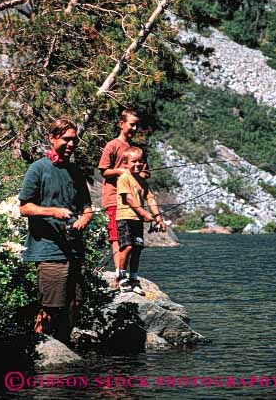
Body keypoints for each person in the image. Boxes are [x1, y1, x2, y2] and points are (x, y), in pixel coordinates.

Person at [19, 118, 93, 344]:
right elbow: (24, 207)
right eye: (66, 139)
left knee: (74, 304)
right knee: (51, 307)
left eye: (74, 140)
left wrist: (83, 220)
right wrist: (54, 212)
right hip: (48, 250)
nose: (71, 144)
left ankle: (63, 348)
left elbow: (88, 208)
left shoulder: (76, 172)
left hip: (74, 249)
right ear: (52, 138)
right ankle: (40, 349)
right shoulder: (38, 168)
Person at [98, 109, 148, 280]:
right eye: (131, 124)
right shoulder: (112, 145)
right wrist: (121, 171)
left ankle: (130, 276)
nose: (134, 128)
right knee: (117, 239)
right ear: (121, 124)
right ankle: (120, 278)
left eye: (136, 125)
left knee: (134, 242)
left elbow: (143, 174)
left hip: (134, 200)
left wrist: (142, 173)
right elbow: (104, 171)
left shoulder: (136, 150)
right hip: (114, 198)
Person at [116, 146, 166, 295]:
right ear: (125, 164)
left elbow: (150, 199)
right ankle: (121, 277)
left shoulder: (142, 182)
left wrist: (159, 218)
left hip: (137, 221)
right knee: (127, 247)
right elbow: (129, 199)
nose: (137, 164)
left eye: (140, 161)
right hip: (124, 218)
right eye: (133, 161)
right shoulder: (124, 178)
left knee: (137, 249)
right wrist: (144, 213)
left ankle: (134, 279)